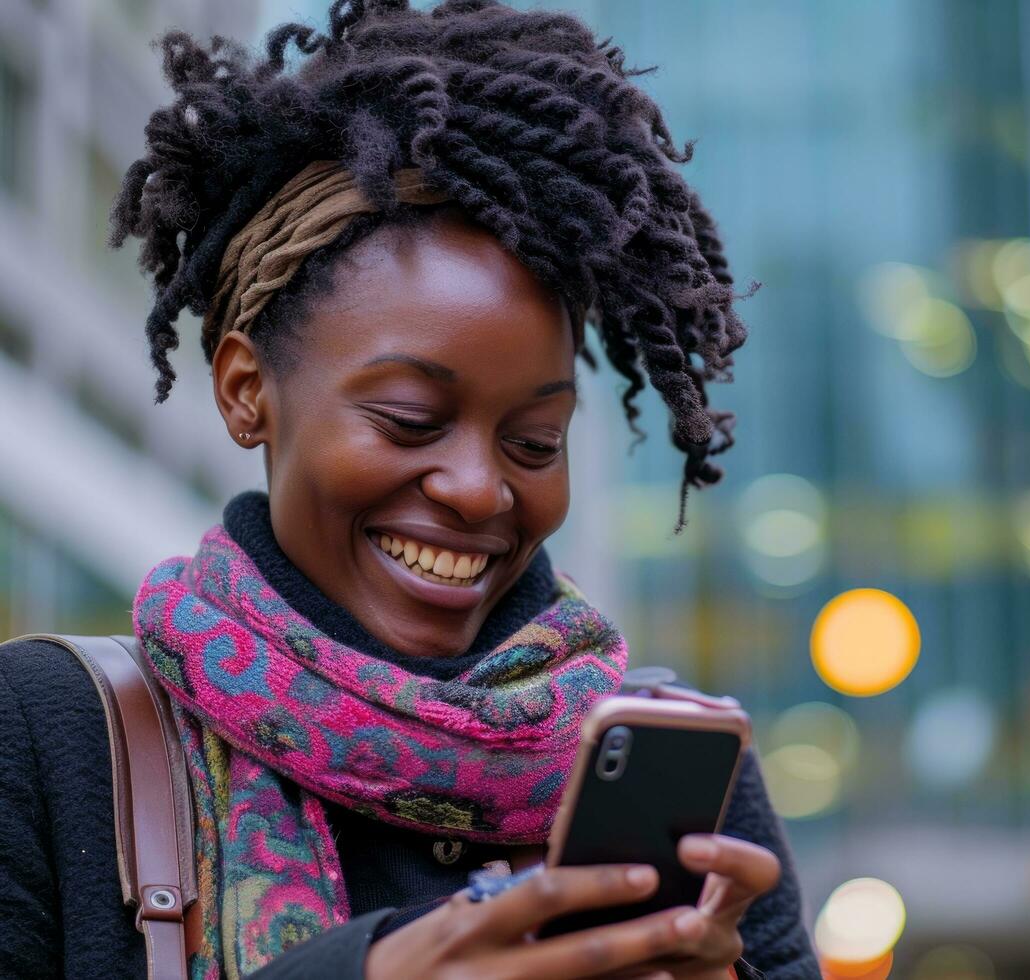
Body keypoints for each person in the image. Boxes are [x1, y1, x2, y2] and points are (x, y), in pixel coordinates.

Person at [0, 1, 818, 977]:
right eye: (408, 421)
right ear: (245, 389)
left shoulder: (678, 785)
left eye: (533, 438)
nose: (480, 490)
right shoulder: (47, 733)